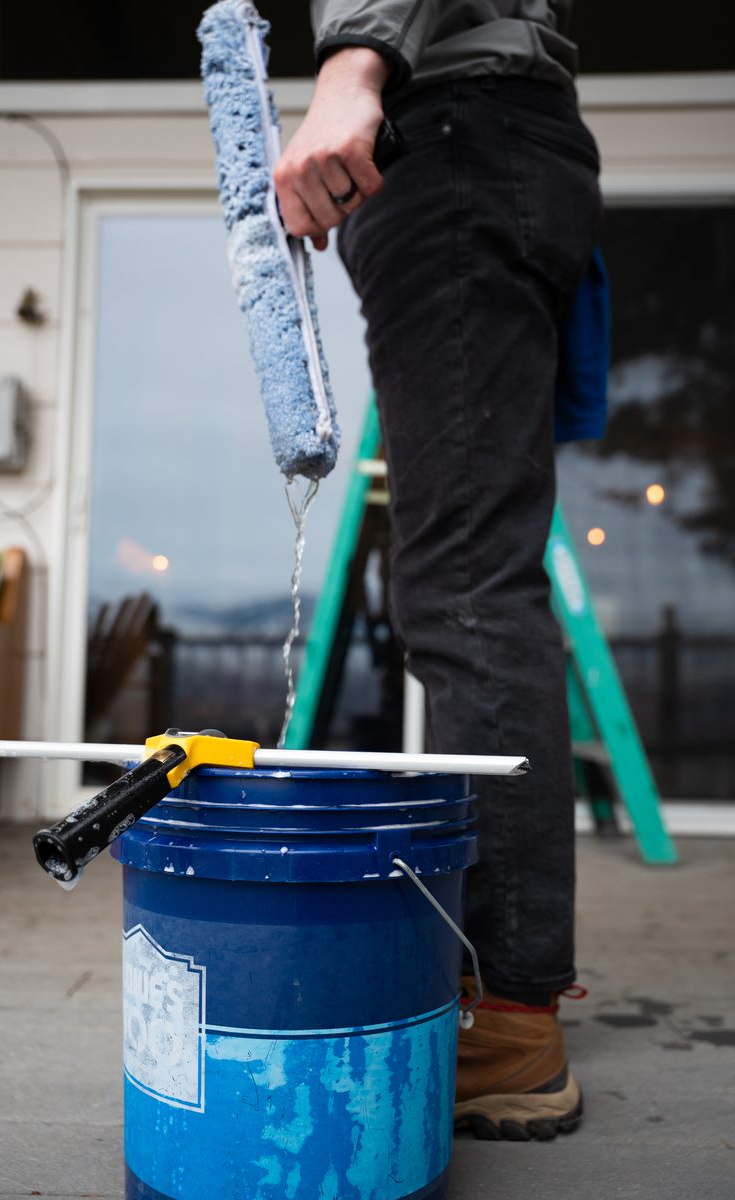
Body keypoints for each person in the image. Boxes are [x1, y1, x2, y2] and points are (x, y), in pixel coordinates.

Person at [274, 1, 602, 1141]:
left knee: (462, 586)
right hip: (480, 144)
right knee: (471, 571)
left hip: (454, 135)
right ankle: (507, 981)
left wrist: (352, 64)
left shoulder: (422, 94)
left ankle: (510, 1020)